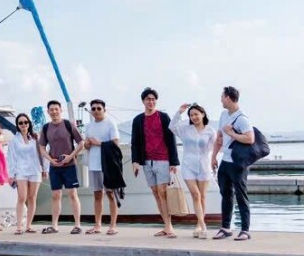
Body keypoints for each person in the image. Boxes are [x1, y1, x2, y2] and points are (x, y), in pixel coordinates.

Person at [130, 87, 180, 237]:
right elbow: (135, 142)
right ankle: (166, 225)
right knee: (156, 193)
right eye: (148, 99)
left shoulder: (163, 117)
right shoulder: (138, 120)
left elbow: (171, 139)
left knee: (162, 192)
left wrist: (173, 162)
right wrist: (135, 161)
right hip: (147, 161)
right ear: (143, 101)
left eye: (153, 99)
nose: (151, 102)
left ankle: (169, 226)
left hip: (163, 160)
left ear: (156, 101)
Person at [212, 86, 254, 241]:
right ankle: (225, 228)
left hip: (238, 163)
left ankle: (245, 230)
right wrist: (214, 156)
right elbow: (219, 137)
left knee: (241, 195)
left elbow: (250, 138)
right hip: (225, 161)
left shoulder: (242, 118)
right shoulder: (224, 115)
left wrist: (231, 133)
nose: (221, 100)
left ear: (228, 98)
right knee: (226, 194)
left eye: (222, 97)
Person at [37, 100, 84, 234]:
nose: (54, 112)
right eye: (51, 110)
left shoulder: (69, 124)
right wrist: (50, 159)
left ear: (61, 110)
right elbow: (41, 148)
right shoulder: (46, 128)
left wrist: (71, 156)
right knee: (56, 195)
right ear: (48, 112)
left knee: (72, 193)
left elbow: (81, 143)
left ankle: (77, 225)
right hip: (54, 166)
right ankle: (54, 226)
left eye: (56, 109)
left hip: (69, 165)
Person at [171, 103, 218, 238]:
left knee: (202, 197)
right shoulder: (185, 129)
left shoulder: (210, 131)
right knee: (195, 195)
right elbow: (172, 126)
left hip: (204, 166)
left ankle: (199, 224)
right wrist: (179, 112)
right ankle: (203, 226)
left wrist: (214, 160)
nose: (194, 117)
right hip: (188, 166)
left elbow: (214, 148)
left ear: (202, 114)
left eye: (196, 114)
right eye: (191, 115)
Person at [83, 99, 121, 235]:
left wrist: (98, 143)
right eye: (93, 108)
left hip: (107, 164)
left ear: (104, 109)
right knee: (97, 195)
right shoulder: (88, 126)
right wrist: (88, 144)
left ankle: (113, 225)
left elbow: (115, 143)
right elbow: (86, 144)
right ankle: (97, 225)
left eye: (99, 108)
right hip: (94, 165)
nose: (96, 111)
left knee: (111, 194)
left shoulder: (110, 123)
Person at [7, 112, 44, 234]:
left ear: (29, 123)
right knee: (22, 197)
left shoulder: (35, 137)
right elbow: (11, 157)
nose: (23, 124)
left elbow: (42, 153)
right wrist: (12, 174)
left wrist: (45, 169)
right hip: (21, 171)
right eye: (21, 123)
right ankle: (19, 226)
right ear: (17, 125)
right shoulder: (14, 140)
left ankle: (28, 225)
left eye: (26, 122)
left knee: (32, 197)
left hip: (35, 170)